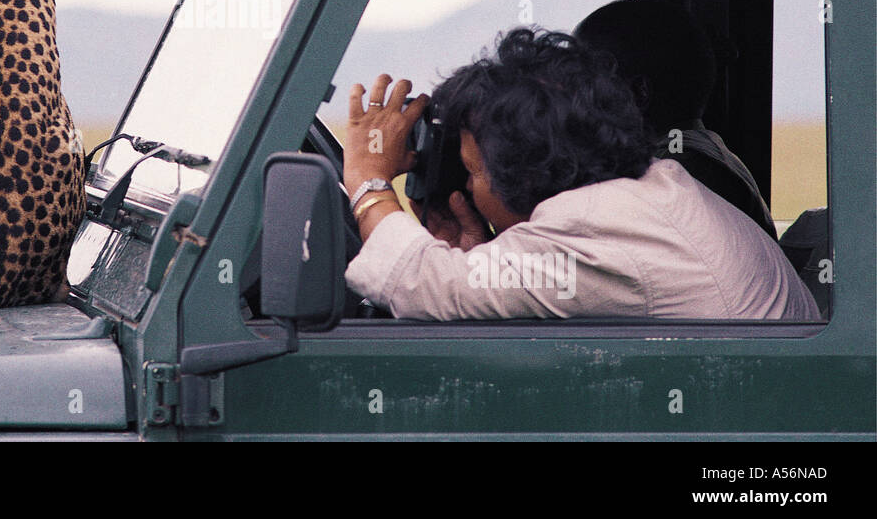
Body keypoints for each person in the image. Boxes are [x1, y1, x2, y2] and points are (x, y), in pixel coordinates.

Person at [342, 28, 819, 321]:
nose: (467, 188)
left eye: (472, 173)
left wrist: (368, 181)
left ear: (524, 175)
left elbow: (419, 282)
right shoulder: (648, 192)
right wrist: (482, 259)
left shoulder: (596, 223)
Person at [573, 0, 777, 239]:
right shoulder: (700, 157)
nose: (572, 97)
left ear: (638, 93)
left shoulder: (679, 174)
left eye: (584, 82)